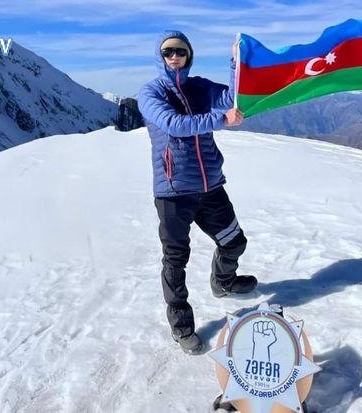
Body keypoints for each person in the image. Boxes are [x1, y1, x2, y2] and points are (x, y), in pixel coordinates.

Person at [137, 30, 258, 355]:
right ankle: (182, 327)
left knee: (234, 241)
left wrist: (236, 62)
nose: (174, 57)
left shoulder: (200, 86)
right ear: (160, 57)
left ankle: (224, 281)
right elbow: (174, 124)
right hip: (173, 191)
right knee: (175, 261)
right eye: (168, 52)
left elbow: (233, 97)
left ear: (189, 55)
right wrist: (220, 119)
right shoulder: (150, 93)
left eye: (181, 51)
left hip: (210, 186)